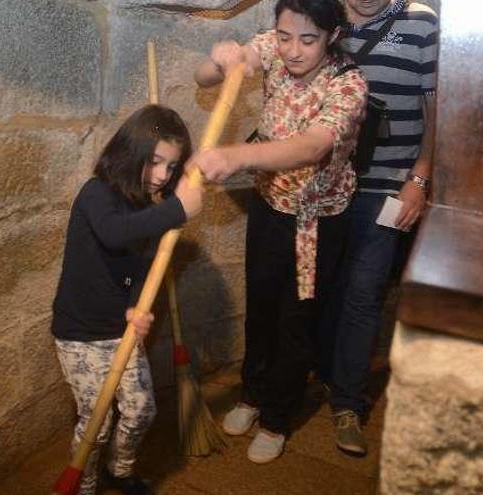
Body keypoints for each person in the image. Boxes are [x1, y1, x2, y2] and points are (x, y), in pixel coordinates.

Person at [189, 0, 368, 464]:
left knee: (296, 322)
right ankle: (251, 394)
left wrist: (238, 158)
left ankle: (276, 416)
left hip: (320, 220)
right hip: (271, 207)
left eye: (308, 40)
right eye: (284, 36)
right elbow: (205, 78)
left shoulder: (349, 85)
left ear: (332, 35)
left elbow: (311, 146)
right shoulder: (275, 45)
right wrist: (220, 58)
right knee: (262, 306)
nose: (292, 50)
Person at [51, 104, 202, 495]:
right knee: (96, 424)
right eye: (155, 162)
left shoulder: (145, 207)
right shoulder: (96, 193)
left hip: (120, 329)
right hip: (80, 334)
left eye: (171, 167)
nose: (162, 175)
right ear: (130, 150)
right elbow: (115, 234)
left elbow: (144, 264)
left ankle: (119, 471)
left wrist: (138, 306)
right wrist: (177, 208)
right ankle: (82, 484)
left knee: (141, 410)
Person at [323, 0, 439, 456]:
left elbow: (437, 107)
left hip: (389, 187)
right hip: (327, 184)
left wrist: (420, 179)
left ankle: (348, 403)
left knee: (364, 293)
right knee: (324, 288)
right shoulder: (324, 12)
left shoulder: (420, 21)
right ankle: (323, 374)